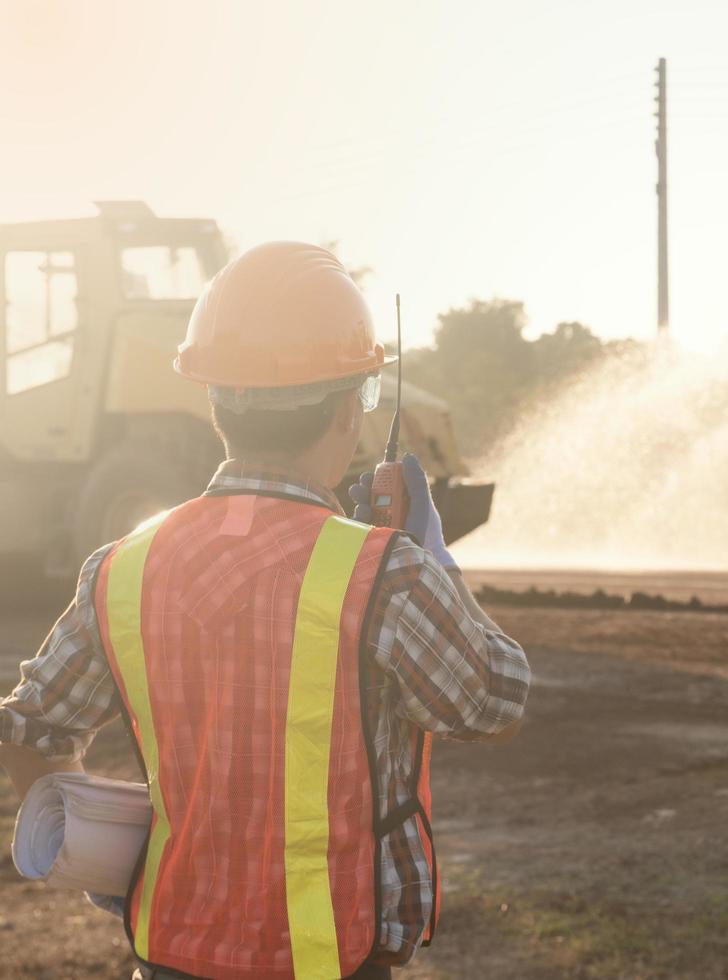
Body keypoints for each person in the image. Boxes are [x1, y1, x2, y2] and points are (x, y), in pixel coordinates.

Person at [0, 242, 530, 979]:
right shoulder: (384, 571)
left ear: (214, 403)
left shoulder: (120, 567)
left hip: (166, 957)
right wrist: (438, 565)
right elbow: (493, 703)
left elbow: (29, 728)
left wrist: (93, 850)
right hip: (328, 963)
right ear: (350, 409)